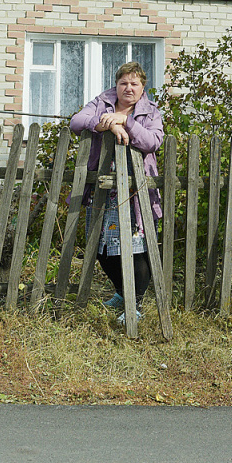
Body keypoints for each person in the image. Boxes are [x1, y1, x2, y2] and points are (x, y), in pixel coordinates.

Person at [69, 61, 163, 322]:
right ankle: (123, 293)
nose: (128, 88)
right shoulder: (103, 102)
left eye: (134, 83)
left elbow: (153, 141)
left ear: (142, 87)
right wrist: (107, 124)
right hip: (102, 187)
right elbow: (76, 121)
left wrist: (127, 122)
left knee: (136, 248)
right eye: (124, 83)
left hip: (135, 191)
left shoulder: (150, 111)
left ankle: (134, 305)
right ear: (116, 85)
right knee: (100, 247)